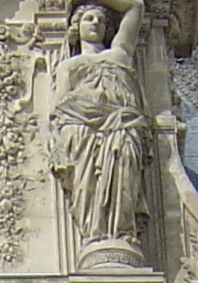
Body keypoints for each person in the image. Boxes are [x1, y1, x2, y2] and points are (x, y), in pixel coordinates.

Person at [49, 0, 151, 269]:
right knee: (88, 188)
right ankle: (97, 238)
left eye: (101, 20)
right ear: (75, 27)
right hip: (82, 131)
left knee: (123, 179)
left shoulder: (120, 53)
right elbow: (59, 110)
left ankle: (118, 237)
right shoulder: (69, 66)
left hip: (121, 127)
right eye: (88, 18)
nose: (95, 23)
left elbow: (135, 6)